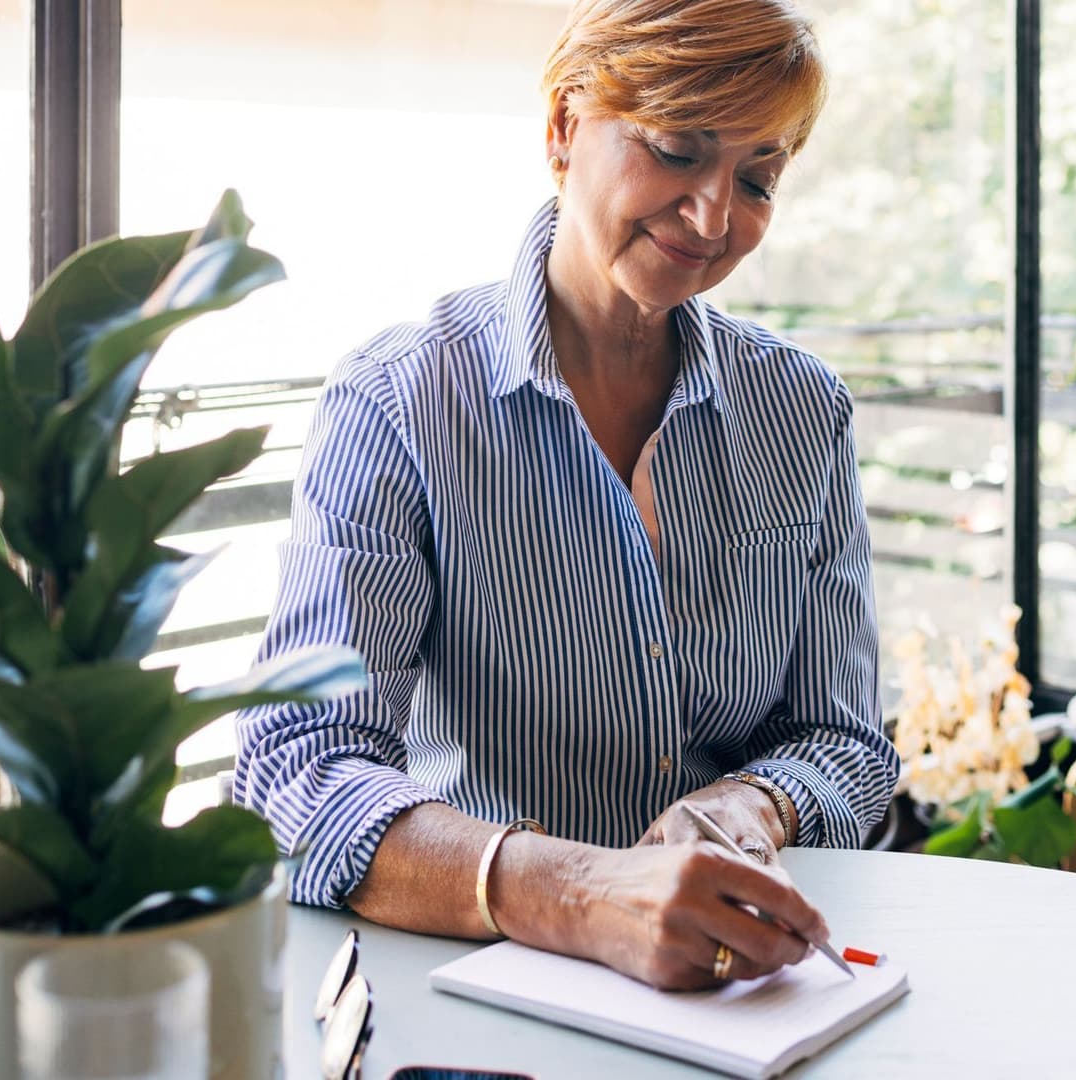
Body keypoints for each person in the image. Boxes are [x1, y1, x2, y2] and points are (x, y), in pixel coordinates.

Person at [235, 0, 898, 991]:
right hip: (473, 978)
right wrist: (584, 894)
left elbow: (845, 739)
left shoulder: (801, 411)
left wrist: (757, 805)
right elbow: (296, 765)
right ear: (562, 127)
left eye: (756, 178)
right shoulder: (400, 401)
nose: (714, 215)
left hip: (736, 988)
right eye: (678, 150)